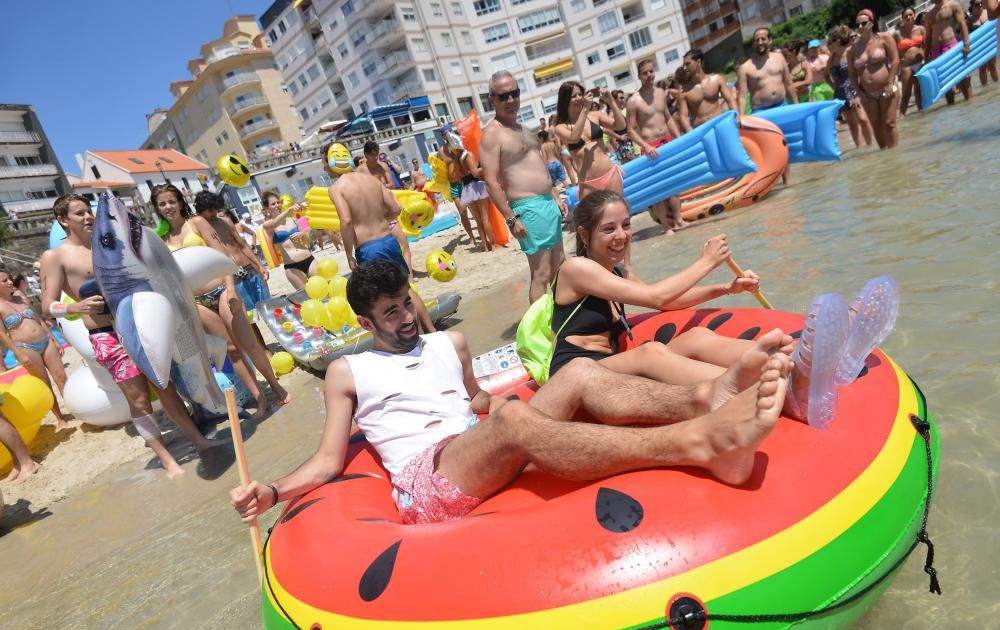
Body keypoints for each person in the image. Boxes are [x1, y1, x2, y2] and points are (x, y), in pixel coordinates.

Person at [231, 259, 791, 526]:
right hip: (425, 481)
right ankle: (698, 443)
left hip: (470, 444)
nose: (405, 317)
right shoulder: (347, 371)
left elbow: (475, 401)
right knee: (515, 421)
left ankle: (705, 396)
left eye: (406, 302)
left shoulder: (449, 342)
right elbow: (330, 460)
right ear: (363, 318)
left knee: (570, 377)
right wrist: (274, 492)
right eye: (390, 312)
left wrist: (489, 404)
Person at [550, 191, 898, 425]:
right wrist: (708, 261)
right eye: (608, 228)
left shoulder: (617, 271)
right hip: (577, 378)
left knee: (697, 337)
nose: (622, 235)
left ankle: (810, 361)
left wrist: (727, 289)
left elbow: (668, 301)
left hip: (607, 368)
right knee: (650, 354)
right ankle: (784, 388)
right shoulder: (575, 270)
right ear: (584, 234)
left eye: (626, 225)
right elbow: (656, 297)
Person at [41, 194, 226, 479]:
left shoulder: (105, 243)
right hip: (106, 334)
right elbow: (46, 305)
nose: (88, 217)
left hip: (139, 324)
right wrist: (73, 307)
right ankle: (166, 459)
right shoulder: (55, 256)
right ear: (63, 220)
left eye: (89, 212)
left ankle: (198, 441)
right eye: (79, 214)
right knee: (138, 399)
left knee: (166, 386)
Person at [153, 185, 290, 418]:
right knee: (230, 351)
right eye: (162, 204)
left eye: (171, 201)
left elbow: (221, 255)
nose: (168, 207)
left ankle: (277, 388)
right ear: (157, 208)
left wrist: (230, 288)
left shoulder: (196, 223)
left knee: (250, 343)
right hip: (196, 300)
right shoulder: (161, 238)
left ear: (180, 201)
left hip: (221, 290)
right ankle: (260, 398)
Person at [324, 142, 436, 334]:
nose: (323, 167)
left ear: (330, 162)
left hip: (368, 248)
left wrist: (349, 254)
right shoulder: (371, 180)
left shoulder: (337, 188)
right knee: (405, 289)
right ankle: (431, 331)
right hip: (388, 239)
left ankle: (413, 338)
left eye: (323, 162)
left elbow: (346, 220)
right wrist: (380, 221)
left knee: (386, 298)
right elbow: (395, 209)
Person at [481, 71, 568, 304]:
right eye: (503, 96)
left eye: (514, 93)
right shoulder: (492, 134)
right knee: (541, 274)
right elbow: (490, 181)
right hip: (527, 208)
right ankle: (537, 335)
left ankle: (563, 324)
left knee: (561, 268)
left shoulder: (524, 128)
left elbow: (539, 165)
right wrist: (511, 219)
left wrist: (555, 195)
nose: (510, 100)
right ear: (492, 100)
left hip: (547, 203)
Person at [0, 273, 71, 428]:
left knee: (61, 377)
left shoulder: (20, 296)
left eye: (9, 279)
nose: (10, 282)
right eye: (5, 281)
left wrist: (53, 338)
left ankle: (75, 408)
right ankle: (60, 418)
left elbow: (38, 319)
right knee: (44, 383)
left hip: (45, 341)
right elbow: (2, 335)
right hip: (25, 348)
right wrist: (18, 353)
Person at [625, 60, 687, 233]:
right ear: (639, 76)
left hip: (667, 142)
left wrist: (678, 138)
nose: (649, 75)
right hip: (650, 147)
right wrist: (646, 146)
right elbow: (630, 130)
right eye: (645, 73)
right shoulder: (633, 101)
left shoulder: (661, 93)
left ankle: (679, 220)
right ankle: (666, 227)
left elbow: (667, 117)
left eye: (651, 71)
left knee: (674, 185)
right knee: (658, 190)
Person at [553, 82, 627, 201]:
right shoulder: (560, 127)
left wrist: (611, 102)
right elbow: (574, 137)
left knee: (617, 213)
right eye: (573, 96)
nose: (578, 98)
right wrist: (585, 109)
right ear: (565, 100)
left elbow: (621, 125)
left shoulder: (595, 116)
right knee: (596, 219)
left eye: (579, 94)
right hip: (588, 183)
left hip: (610, 173)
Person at [849, 9, 901, 150]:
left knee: (889, 123)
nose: (860, 27)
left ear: (871, 23)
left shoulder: (884, 38)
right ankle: (885, 156)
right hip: (867, 94)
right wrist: (858, 94)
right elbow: (852, 74)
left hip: (887, 87)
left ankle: (895, 153)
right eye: (857, 25)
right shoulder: (853, 49)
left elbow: (895, 60)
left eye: (863, 23)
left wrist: (890, 82)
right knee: (876, 126)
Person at [827, 26, 875, 148]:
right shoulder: (831, 59)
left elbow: (860, 70)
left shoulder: (851, 52)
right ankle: (861, 150)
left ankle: (871, 146)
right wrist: (834, 86)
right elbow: (826, 75)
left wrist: (861, 88)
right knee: (852, 125)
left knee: (863, 119)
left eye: (830, 42)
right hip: (840, 93)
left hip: (854, 90)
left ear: (838, 42)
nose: (827, 45)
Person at [260, 190, 317, 290]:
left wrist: (303, 234)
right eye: (273, 204)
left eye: (278, 202)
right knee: (306, 297)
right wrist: (288, 210)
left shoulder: (294, 218)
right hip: (292, 267)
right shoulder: (267, 225)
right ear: (267, 209)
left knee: (322, 290)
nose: (277, 205)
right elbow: (274, 223)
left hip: (309, 259)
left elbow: (309, 241)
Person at [737, 27, 798, 113]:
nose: (760, 42)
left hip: (782, 106)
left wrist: (797, 105)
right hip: (761, 112)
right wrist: (741, 116)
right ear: (753, 44)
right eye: (757, 40)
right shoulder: (745, 68)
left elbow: (789, 84)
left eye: (763, 39)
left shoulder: (780, 58)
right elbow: (742, 96)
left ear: (770, 40)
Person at [677, 48, 738, 131]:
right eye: (684, 65)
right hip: (701, 131)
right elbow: (683, 116)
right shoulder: (684, 91)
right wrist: (691, 132)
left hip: (720, 124)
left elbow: (731, 101)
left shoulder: (717, 79)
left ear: (698, 62)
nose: (684, 68)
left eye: (687, 64)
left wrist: (736, 117)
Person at [925, 0, 973, 104]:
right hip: (936, 51)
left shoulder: (953, 6)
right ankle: (951, 110)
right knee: (946, 85)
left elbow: (962, 24)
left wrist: (966, 44)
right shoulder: (929, 15)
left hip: (951, 45)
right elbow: (928, 37)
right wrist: (926, 57)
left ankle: (971, 106)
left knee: (963, 79)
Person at [437, 141, 479, 246]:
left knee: (474, 211)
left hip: (464, 182)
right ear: (443, 136)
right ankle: (471, 237)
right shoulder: (441, 151)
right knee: (463, 212)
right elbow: (437, 168)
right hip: (453, 185)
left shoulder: (458, 145)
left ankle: (480, 233)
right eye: (445, 134)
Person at [896, 7, 927, 115]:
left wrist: (926, 58)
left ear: (914, 15)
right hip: (906, 66)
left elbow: (926, 46)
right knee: (906, 93)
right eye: (906, 16)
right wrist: (898, 62)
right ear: (903, 18)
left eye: (910, 15)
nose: (908, 17)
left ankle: (921, 113)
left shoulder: (921, 29)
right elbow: (893, 50)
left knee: (920, 91)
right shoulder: (898, 33)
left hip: (920, 63)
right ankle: (901, 115)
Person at [968, 0, 999, 85]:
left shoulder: (988, 13)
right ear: (972, 6)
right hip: (978, 47)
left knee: (993, 66)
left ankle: (996, 86)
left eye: (981, 3)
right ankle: (984, 88)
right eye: (977, 4)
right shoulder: (970, 20)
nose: (980, 5)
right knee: (982, 68)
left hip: (990, 44)